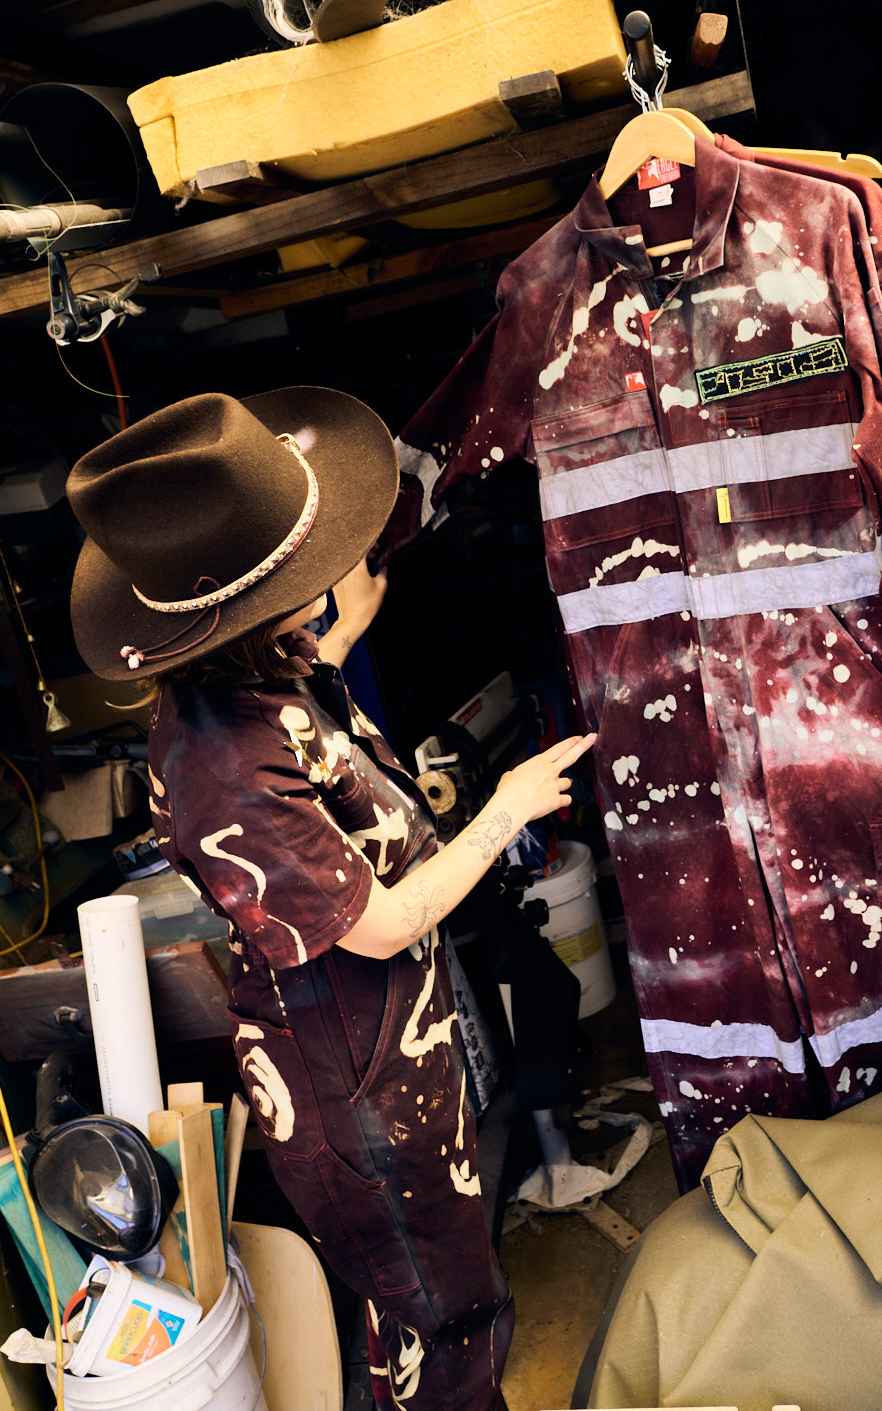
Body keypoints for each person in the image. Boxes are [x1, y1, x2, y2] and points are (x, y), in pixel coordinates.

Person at [65, 386, 596, 1411]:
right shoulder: (225, 767)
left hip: (388, 1059)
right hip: (351, 1091)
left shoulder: (254, 683)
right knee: (447, 1325)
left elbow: (316, 698)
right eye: (301, 581)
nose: (320, 603)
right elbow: (389, 919)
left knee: (429, 1304)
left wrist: (343, 588)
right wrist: (508, 807)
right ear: (252, 614)